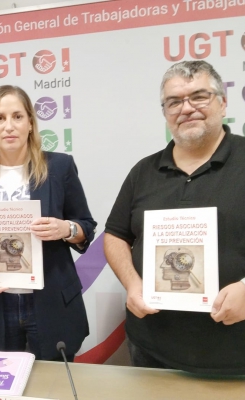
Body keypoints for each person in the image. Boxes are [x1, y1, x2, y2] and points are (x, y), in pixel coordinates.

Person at [104, 60, 245, 374]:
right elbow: (115, 235)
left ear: (223, 103)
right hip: (151, 351)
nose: (187, 108)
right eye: (174, 101)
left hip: (235, 357)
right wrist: (132, 283)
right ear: (165, 112)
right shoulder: (143, 172)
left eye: (199, 96)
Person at [0, 85, 97, 361]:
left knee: (53, 386)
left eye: (17, 116)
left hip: (49, 300)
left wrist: (66, 229)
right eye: (0, 118)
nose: (9, 126)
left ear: (31, 123)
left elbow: (85, 226)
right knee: (1, 383)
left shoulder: (60, 167)